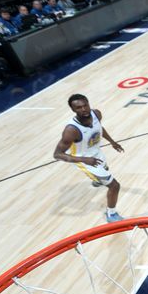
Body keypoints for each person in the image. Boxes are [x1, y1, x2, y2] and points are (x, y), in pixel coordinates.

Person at [52, 94, 125, 222]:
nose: (84, 109)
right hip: (84, 159)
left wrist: (112, 142)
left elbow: (99, 129)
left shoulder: (96, 114)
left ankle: (97, 180)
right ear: (73, 110)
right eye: (79, 107)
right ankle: (111, 214)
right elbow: (57, 154)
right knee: (114, 186)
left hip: (96, 153)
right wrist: (85, 160)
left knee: (105, 168)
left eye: (85, 105)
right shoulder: (71, 130)